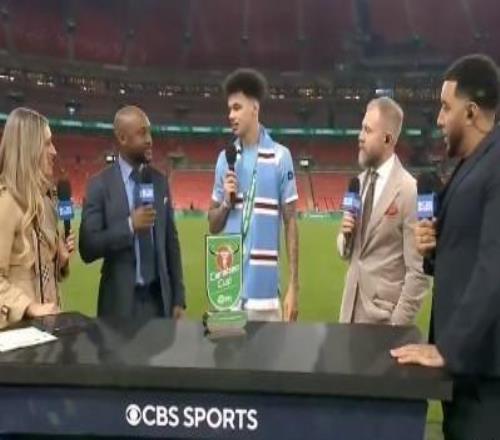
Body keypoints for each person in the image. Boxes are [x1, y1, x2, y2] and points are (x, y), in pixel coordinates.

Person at [391, 54, 500, 440]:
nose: (438, 118)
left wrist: (449, 348)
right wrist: (434, 250)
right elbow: (468, 252)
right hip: (471, 372)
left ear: (471, 113)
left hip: (487, 379)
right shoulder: (474, 163)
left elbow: (494, 266)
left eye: (445, 107)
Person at [208, 68, 299, 322]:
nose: (231, 115)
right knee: (222, 348)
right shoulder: (224, 160)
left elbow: (291, 221)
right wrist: (225, 204)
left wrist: (294, 286)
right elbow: (213, 225)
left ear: (255, 108)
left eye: (237, 108)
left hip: (265, 295)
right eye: (229, 109)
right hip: (226, 289)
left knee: (268, 350)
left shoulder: (281, 157)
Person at [79, 106, 186, 321]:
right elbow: (88, 247)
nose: (149, 140)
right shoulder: (100, 185)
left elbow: (171, 243)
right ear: (122, 138)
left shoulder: (159, 181)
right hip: (119, 306)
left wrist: (178, 298)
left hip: (159, 304)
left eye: (149, 133)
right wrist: (129, 226)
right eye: (142, 133)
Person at [337, 97, 429, 325]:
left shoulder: (408, 190)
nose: (360, 136)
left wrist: (395, 326)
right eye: (362, 128)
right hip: (349, 316)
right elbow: (347, 252)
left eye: (367, 130)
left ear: (387, 138)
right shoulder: (358, 183)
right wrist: (345, 236)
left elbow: (418, 273)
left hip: (383, 323)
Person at [0, 107, 75, 328]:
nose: (54, 151)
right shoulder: (6, 203)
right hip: (17, 334)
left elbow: (42, 272)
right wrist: (29, 307)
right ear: (29, 149)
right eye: (47, 144)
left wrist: (60, 260)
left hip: (46, 329)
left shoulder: (45, 202)